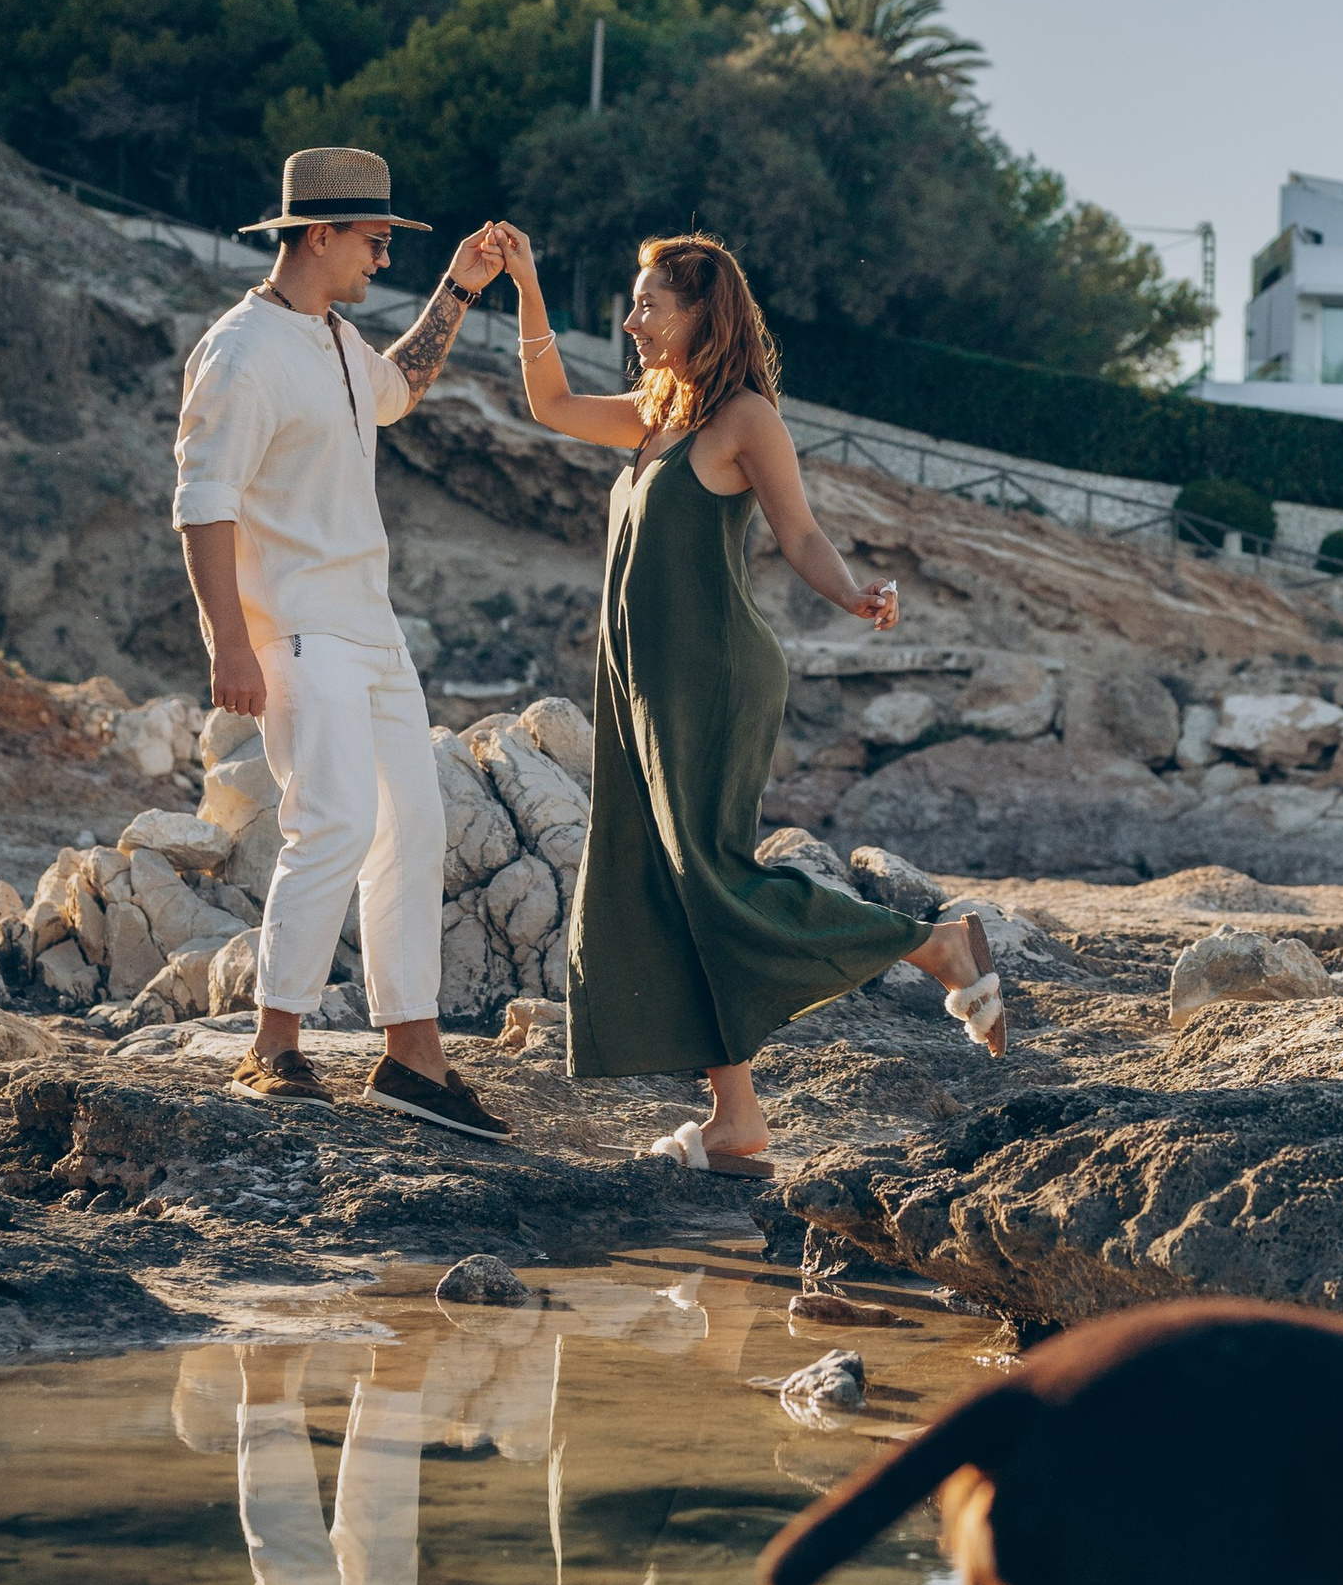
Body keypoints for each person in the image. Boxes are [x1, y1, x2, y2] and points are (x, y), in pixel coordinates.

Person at [472, 219, 1007, 1173]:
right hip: (639, 680)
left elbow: (799, 533)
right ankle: (737, 1120)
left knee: (711, 876)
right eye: (633, 302)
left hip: (712, 677)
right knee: (663, 885)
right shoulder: (652, 414)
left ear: (698, 315)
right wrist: (526, 285)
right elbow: (549, 402)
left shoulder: (743, 420)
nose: (632, 318)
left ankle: (933, 947)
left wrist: (852, 593)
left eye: (648, 304)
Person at [172, 144, 511, 1138]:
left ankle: (412, 1057)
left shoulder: (331, 338)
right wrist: (228, 644)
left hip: (371, 625)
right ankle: (272, 1047)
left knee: (411, 823)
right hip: (297, 630)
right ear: (316, 234)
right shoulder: (239, 350)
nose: (382, 257)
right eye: (372, 239)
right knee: (330, 821)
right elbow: (202, 505)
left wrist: (460, 285)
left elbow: (401, 384)